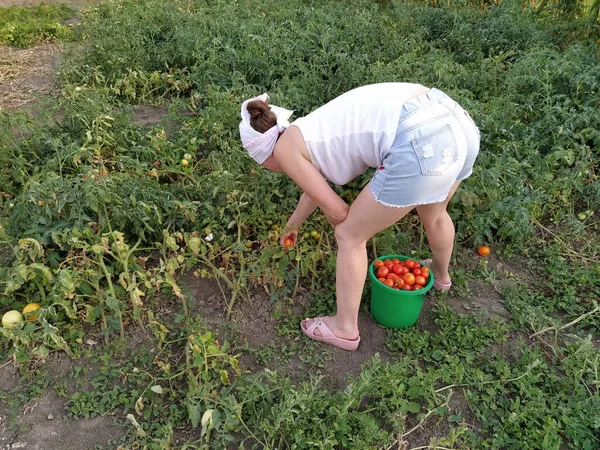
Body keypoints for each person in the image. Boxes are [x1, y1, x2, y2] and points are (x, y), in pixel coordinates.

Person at [238, 83, 480, 351]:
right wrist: (292, 225)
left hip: (417, 137)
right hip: (453, 119)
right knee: (435, 213)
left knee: (349, 235)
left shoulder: (284, 151)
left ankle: (344, 328)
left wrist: (344, 224)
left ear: (264, 156)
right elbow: (313, 192)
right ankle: (440, 274)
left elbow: (338, 211)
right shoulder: (308, 130)